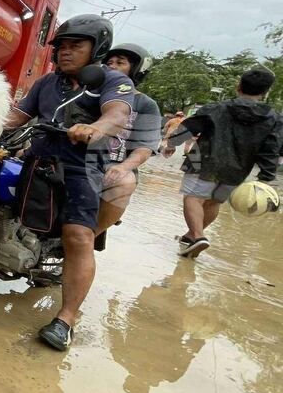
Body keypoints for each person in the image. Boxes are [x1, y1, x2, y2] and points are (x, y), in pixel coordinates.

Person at [2, 15, 133, 350]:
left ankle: (66, 319)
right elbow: (17, 116)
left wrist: (96, 129)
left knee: (78, 236)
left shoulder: (112, 81)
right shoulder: (47, 83)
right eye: (61, 45)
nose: (65, 51)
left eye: (76, 45)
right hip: (38, 163)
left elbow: (116, 114)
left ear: (97, 48)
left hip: (81, 169)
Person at [164, 66, 281, 257]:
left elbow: (189, 127)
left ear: (238, 86)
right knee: (213, 202)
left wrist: (171, 144)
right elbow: (271, 149)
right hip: (238, 170)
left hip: (202, 160)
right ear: (265, 92)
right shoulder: (274, 119)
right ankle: (191, 236)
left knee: (193, 198)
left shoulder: (215, 108)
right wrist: (266, 178)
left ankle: (197, 236)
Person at [96, 42, 162, 234]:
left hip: (111, 165)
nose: (112, 66)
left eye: (120, 62)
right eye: (109, 62)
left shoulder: (146, 104)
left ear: (136, 70)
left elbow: (144, 148)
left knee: (124, 182)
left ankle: (89, 239)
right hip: (76, 157)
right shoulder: (91, 94)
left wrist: (123, 167)